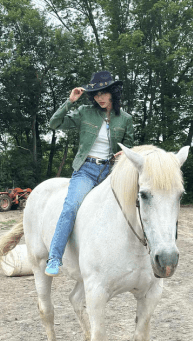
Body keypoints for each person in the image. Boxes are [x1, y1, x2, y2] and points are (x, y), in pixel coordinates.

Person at [45, 71, 134, 276]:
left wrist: (124, 153)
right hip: (86, 170)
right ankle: (55, 257)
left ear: (112, 93)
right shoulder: (85, 112)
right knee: (70, 207)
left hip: (111, 172)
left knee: (129, 208)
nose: (99, 98)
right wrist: (70, 101)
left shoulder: (126, 119)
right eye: (95, 94)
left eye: (103, 93)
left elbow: (128, 145)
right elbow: (54, 124)